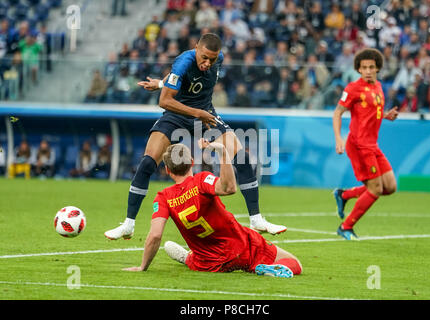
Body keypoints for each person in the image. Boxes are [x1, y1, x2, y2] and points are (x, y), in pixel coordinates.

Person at [104, 33, 286, 240]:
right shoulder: (184, 60)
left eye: (213, 59)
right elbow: (164, 102)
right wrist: (189, 107)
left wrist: (162, 83)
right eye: (204, 57)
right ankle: (128, 224)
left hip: (205, 114)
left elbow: (175, 78)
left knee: (242, 158)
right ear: (196, 47)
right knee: (147, 163)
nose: (208, 63)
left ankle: (256, 219)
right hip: (177, 114)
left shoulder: (220, 58)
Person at [123, 142, 302, 278]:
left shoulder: (163, 197)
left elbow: (155, 235)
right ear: (192, 162)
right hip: (241, 248)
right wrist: (223, 153)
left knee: (190, 257)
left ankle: (187, 258)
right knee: (295, 263)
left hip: (208, 263)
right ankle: (263, 268)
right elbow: (229, 188)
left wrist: (143, 267)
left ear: (168, 170)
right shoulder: (201, 180)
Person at [332, 48, 399, 240]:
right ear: (358, 69)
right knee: (376, 189)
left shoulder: (378, 86)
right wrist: (338, 138)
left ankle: (345, 195)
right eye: (364, 68)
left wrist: (386, 115)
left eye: (371, 67)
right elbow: (337, 113)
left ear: (378, 68)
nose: (368, 70)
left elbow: (371, 111)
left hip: (373, 145)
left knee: (390, 187)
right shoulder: (353, 88)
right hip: (359, 145)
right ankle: (345, 227)